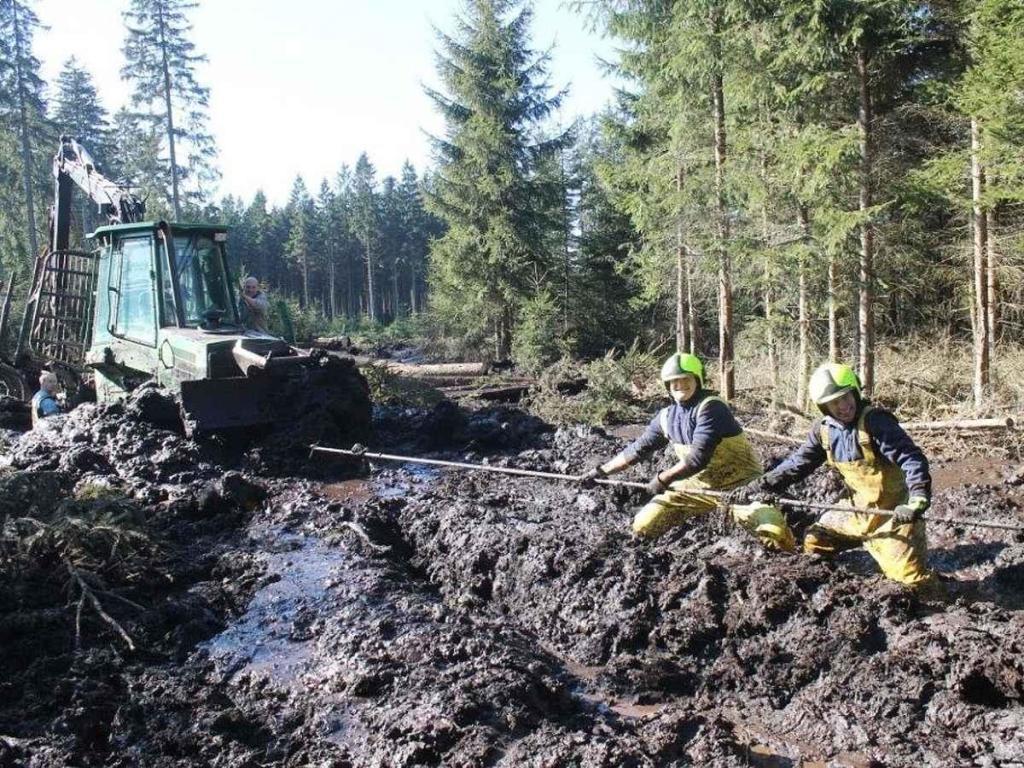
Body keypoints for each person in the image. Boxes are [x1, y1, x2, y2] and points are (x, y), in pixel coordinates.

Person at [729, 362, 934, 588]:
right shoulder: (824, 430)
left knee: (911, 583)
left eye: (846, 397)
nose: (844, 406)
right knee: (814, 543)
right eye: (834, 403)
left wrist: (917, 500)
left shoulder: (876, 421)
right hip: (855, 510)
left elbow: (911, 458)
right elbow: (798, 465)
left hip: (893, 514)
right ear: (823, 407)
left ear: (855, 393)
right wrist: (758, 487)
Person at [579, 352, 796, 550]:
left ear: (698, 380)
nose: (680, 385)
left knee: (774, 534)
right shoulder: (665, 417)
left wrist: (662, 480)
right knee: (642, 527)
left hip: (742, 486)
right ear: (667, 385)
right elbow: (637, 450)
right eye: (674, 381)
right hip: (696, 486)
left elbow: (696, 459)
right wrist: (601, 472)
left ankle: (795, 556)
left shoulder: (712, 407)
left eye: (686, 379)